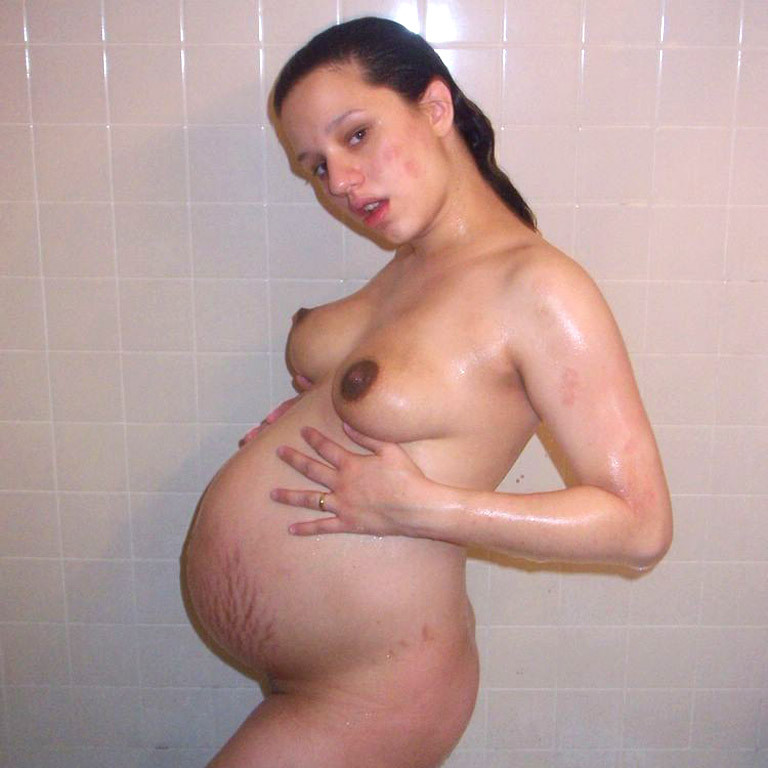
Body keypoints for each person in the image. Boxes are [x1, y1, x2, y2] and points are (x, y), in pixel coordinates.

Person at [183, 16, 672, 768]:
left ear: (435, 107)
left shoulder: (539, 288)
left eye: (356, 136)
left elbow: (640, 527)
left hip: (376, 688)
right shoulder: (414, 265)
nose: (340, 183)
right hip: (322, 672)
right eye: (316, 166)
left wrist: (421, 508)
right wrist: (313, 410)